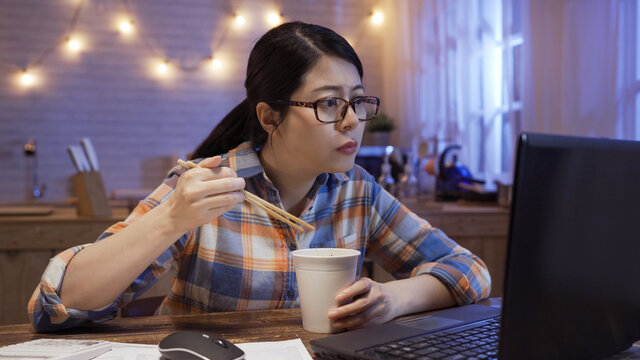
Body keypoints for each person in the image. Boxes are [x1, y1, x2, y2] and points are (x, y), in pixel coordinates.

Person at [29, 21, 491, 332]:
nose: (352, 121)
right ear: (270, 117)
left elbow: (469, 270)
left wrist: (393, 299)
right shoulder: (203, 185)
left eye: (358, 100)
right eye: (329, 103)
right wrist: (170, 219)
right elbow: (52, 306)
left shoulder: (357, 192)